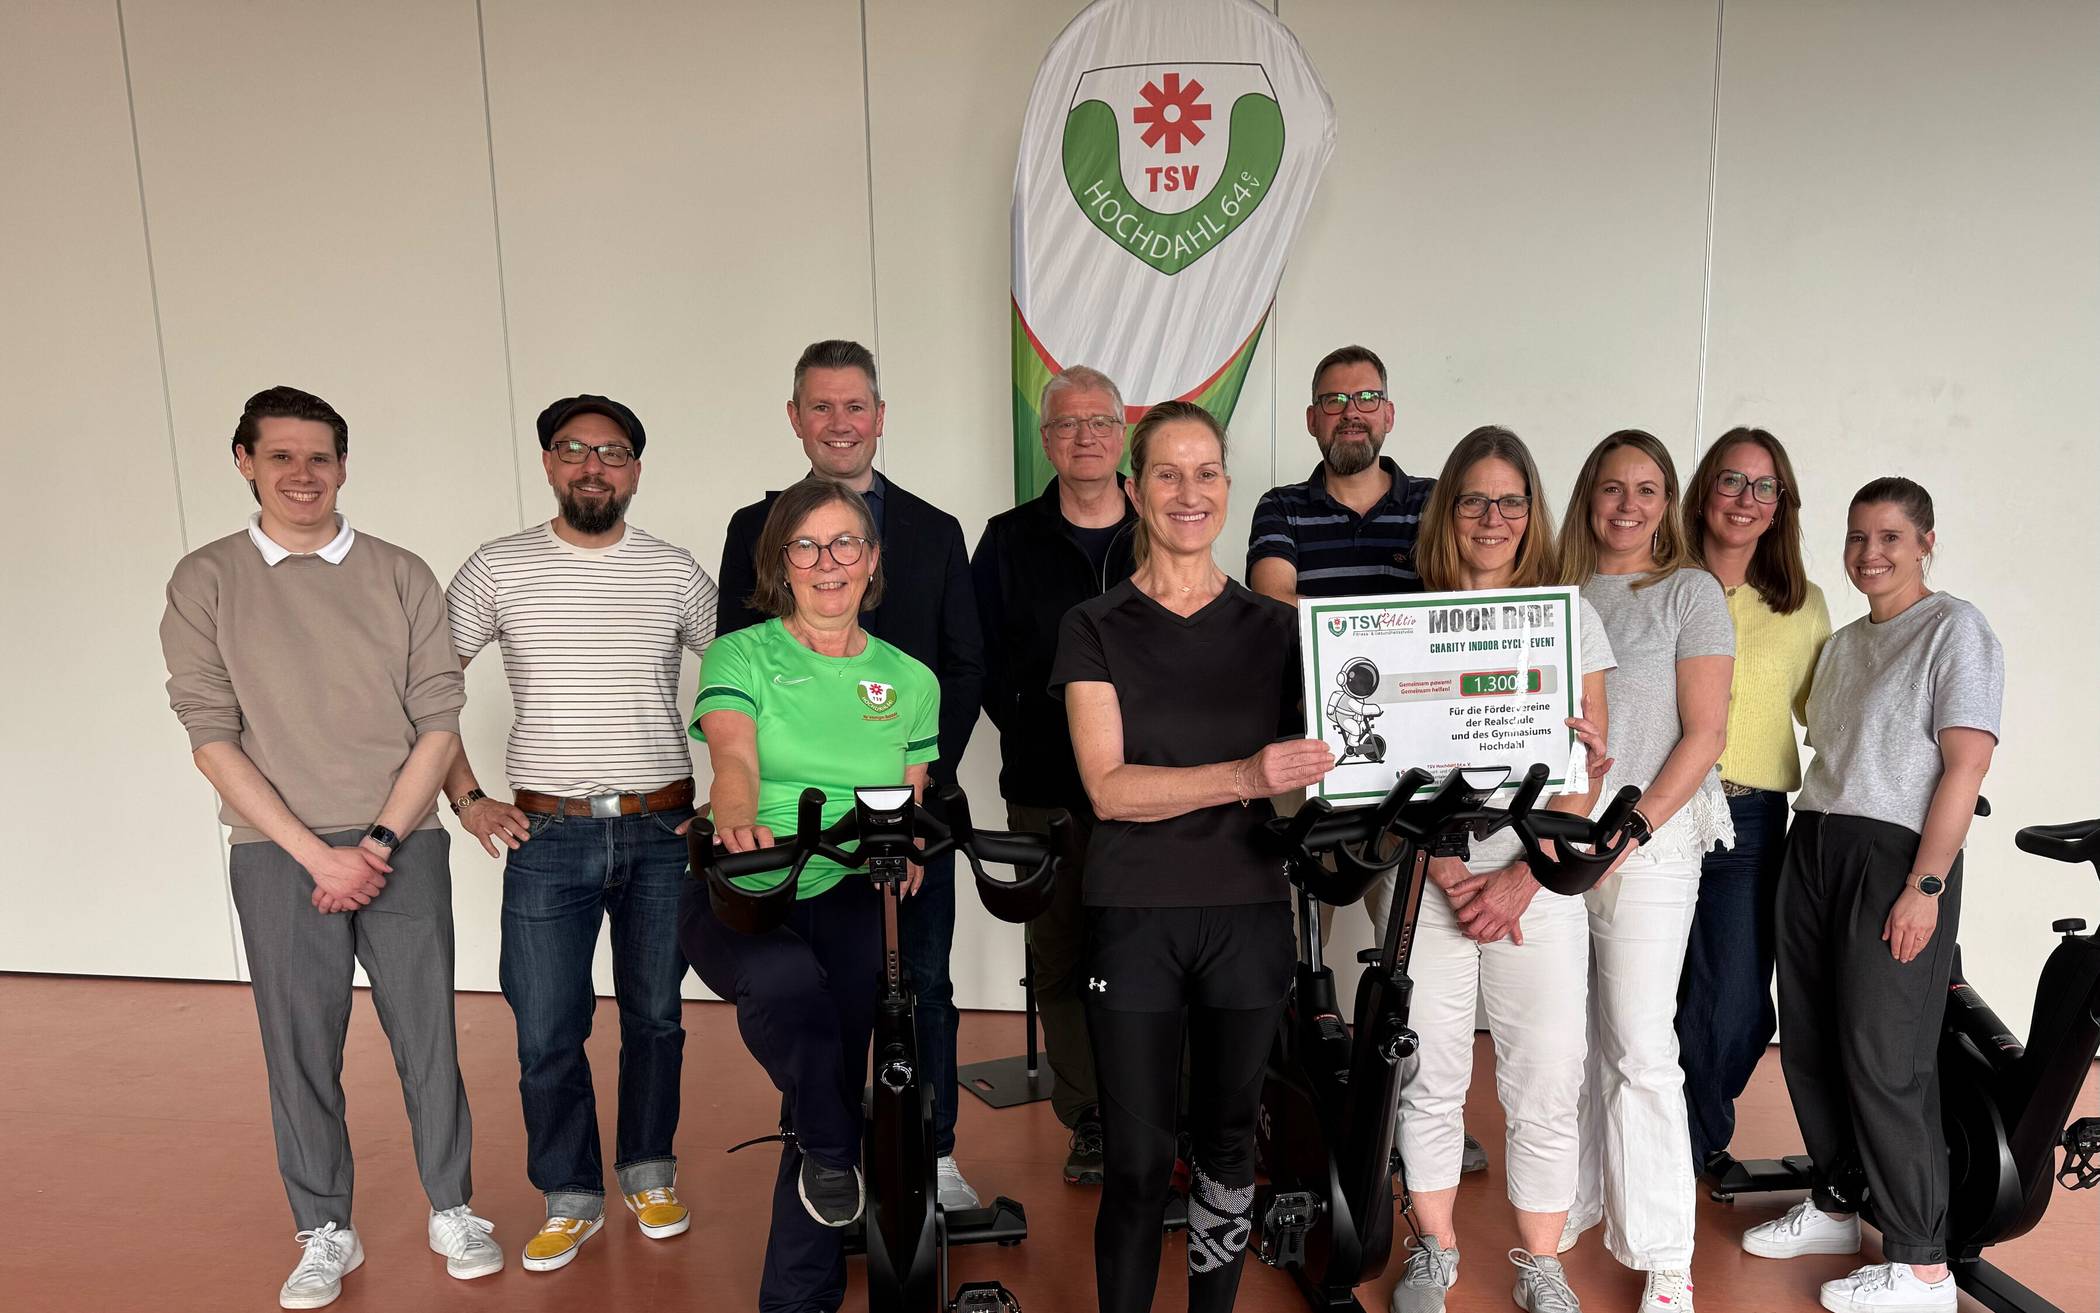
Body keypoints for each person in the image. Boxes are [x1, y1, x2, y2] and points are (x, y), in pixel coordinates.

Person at [158, 386, 498, 1309]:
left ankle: (453, 1207)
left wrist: (379, 839)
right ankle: (325, 1229)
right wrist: (317, 854)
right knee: (299, 1042)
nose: (301, 474)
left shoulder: (399, 572)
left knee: (428, 1034)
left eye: (319, 456)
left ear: (344, 464)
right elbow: (209, 734)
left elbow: (439, 717)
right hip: (276, 851)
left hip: (404, 840)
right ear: (244, 462)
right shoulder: (206, 578)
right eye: (280, 455)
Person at [1052, 401, 1335, 1313]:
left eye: (1206, 472)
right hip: (1136, 914)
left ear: (1226, 485)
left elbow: (1365, 744)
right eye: (1167, 474)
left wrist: (1535, 736)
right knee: (1137, 1162)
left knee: (1227, 1152)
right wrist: (1245, 774)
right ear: (1135, 490)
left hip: (1247, 909)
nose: (1189, 492)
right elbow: (1109, 787)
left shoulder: (1279, 628)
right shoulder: (1095, 624)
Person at [442, 394, 718, 1271]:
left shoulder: (674, 572)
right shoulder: (497, 567)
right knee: (545, 1028)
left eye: (612, 451)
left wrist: (733, 800)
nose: (593, 466)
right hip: (546, 835)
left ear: (635, 470)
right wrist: (467, 796)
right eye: (574, 448)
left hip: (662, 829)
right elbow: (424, 687)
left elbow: (752, 680)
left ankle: (649, 1170)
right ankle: (569, 1194)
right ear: (549, 462)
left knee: (657, 1016)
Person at [717, 339, 987, 1208]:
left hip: (907, 805)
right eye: (821, 406)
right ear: (796, 419)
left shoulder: (935, 529)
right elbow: (738, 670)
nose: (840, 422)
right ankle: (823, 1144)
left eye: (855, 405)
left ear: (880, 416)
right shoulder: (753, 528)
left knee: (923, 983)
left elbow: (964, 663)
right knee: (819, 993)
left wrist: (908, 771)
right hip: (795, 821)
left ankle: (934, 1150)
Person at [680, 477, 941, 1313]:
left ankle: (799, 1296)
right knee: (789, 989)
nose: (828, 562)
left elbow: (909, 793)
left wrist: (909, 844)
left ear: (871, 559)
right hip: (745, 884)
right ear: (780, 562)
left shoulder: (909, 679)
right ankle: (834, 1147)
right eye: (806, 545)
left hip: (851, 890)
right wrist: (735, 817)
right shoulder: (741, 654)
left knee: (823, 1069)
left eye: (845, 543)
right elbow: (733, 756)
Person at [1744, 478, 2001, 1313]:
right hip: (1816, 839)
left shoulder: (1955, 628)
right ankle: (1838, 1198)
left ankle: (1923, 1265)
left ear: (1927, 541)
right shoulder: (1846, 644)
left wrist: (1926, 884)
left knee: (1885, 1054)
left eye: (1890, 536)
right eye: (1858, 536)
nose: (1870, 553)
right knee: (1811, 1039)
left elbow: (1966, 763)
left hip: (1895, 855)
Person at [1387, 427, 1615, 1313]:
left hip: (1539, 875)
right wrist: (1448, 870)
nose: (1493, 517)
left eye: (1510, 500)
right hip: (1428, 874)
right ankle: (1434, 1250)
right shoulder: (1403, 618)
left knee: (1547, 1074)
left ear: (1533, 513)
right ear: (1448, 511)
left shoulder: (1572, 619)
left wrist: (1522, 875)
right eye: (1474, 499)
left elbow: (1586, 774)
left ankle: (1542, 1262)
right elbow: (1384, 774)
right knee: (1429, 1070)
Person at [1246, 346, 1489, 1173]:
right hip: (1307, 751)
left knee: (1416, 943)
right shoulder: (1281, 506)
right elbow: (1273, 602)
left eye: (1365, 397)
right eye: (1333, 400)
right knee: (1292, 941)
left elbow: (1458, 597)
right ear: (1312, 419)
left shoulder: (1434, 502)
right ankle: (1297, 1111)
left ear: (1388, 413)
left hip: (1411, 762)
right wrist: (1392, 627)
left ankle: (1413, 1122)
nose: (1350, 412)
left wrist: (1343, 624)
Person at [1557, 430, 1735, 1313]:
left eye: (1648, 489)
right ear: (1588, 495)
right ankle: (1578, 1198)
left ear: (1668, 504)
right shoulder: (1555, 591)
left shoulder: (1689, 591)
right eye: (1612, 487)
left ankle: (1667, 1255)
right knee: (1573, 1039)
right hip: (1557, 841)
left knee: (1639, 1043)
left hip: (1649, 841)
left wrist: (1628, 829)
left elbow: (1706, 733)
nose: (1628, 505)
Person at [970, 364, 1138, 1187]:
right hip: (1043, 786)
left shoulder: (1162, 524)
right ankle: (1089, 1114)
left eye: (1100, 422)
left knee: (1151, 950)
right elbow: (979, 656)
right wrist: (1038, 724)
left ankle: (1162, 1105)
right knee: (1061, 953)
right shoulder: (1007, 539)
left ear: (1122, 433)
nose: (1084, 437)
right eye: (1068, 424)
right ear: (1046, 440)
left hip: (1152, 787)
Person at [1673, 429, 1830, 1175]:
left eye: (1765, 486)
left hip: (1750, 818)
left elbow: (1830, 717)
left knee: (1735, 1004)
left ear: (1781, 506)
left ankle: (1690, 1134)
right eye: (1732, 480)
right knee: (1645, 988)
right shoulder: (1661, 583)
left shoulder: (1803, 606)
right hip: (1655, 809)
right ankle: (1668, 1146)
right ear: (1705, 489)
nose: (1746, 499)